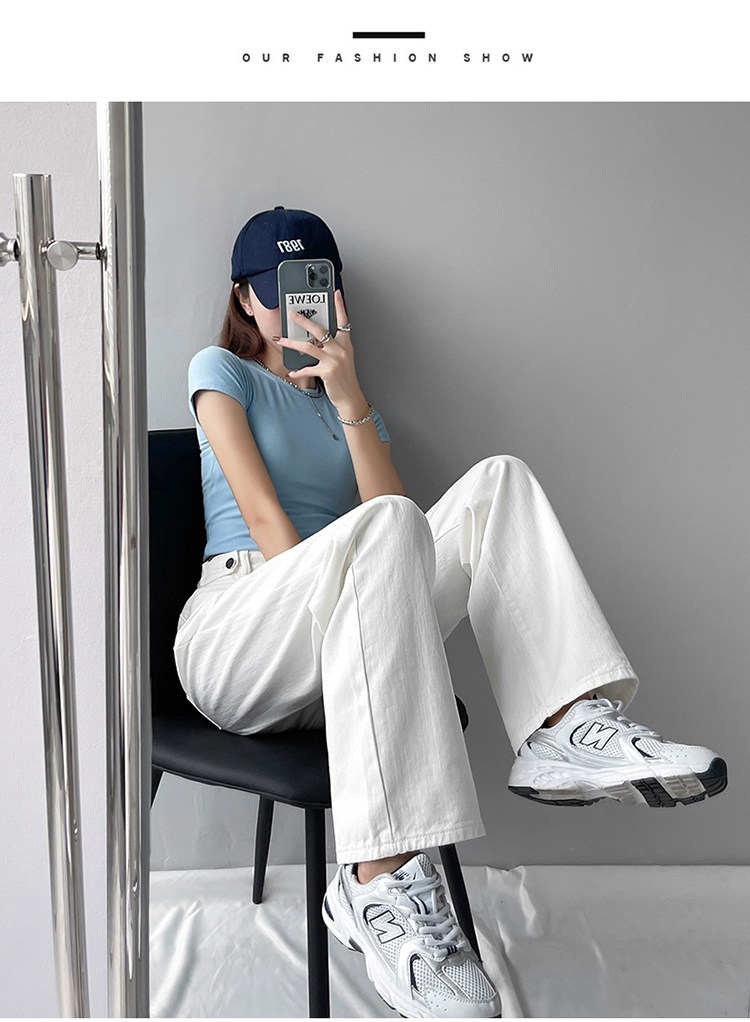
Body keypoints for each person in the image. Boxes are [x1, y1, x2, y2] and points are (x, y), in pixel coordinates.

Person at [173, 206, 727, 1019]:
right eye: (275, 290)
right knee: (384, 528)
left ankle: (565, 724)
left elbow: (406, 538)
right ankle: (378, 880)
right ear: (243, 298)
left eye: (311, 288)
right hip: (243, 630)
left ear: (336, 297)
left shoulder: (348, 403)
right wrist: (336, 606)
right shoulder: (220, 371)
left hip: (351, 630)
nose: (293, 307)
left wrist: (348, 395)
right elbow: (261, 517)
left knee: (496, 481)